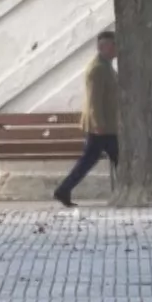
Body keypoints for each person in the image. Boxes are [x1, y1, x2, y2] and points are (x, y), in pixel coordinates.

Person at [55, 30, 119, 208]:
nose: (117, 48)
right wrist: (99, 124)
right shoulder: (97, 69)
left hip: (107, 125)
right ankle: (63, 189)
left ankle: (63, 189)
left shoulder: (106, 65)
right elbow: (94, 100)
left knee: (93, 160)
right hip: (101, 127)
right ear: (102, 47)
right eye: (113, 45)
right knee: (113, 158)